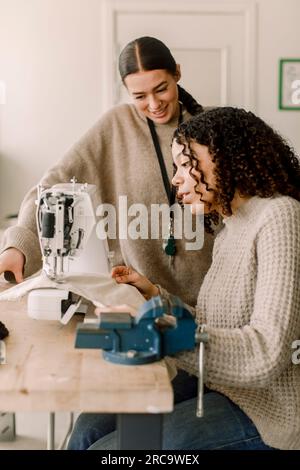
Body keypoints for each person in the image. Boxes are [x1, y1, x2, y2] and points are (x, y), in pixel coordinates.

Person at [0, 37, 215, 448]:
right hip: (144, 311)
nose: (153, 104)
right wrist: (20, 243)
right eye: (139, 95)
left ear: (178, 76)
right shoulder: (115, 126)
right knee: (83, 435)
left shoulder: (207, 128)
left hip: (202, 321)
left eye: (162, 89)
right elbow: (50, 185)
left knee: (129, 444)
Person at [87, 107, 300, 450]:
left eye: (187, 164)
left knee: (106, 449)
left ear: (227, 156)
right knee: (89, 428)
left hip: (270, 412)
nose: (176, 178)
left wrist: (152, 330)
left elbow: (265, 352)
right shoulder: (231, 224)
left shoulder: (280, 217)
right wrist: (153, 294)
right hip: (221, 384)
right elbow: (214, 323)